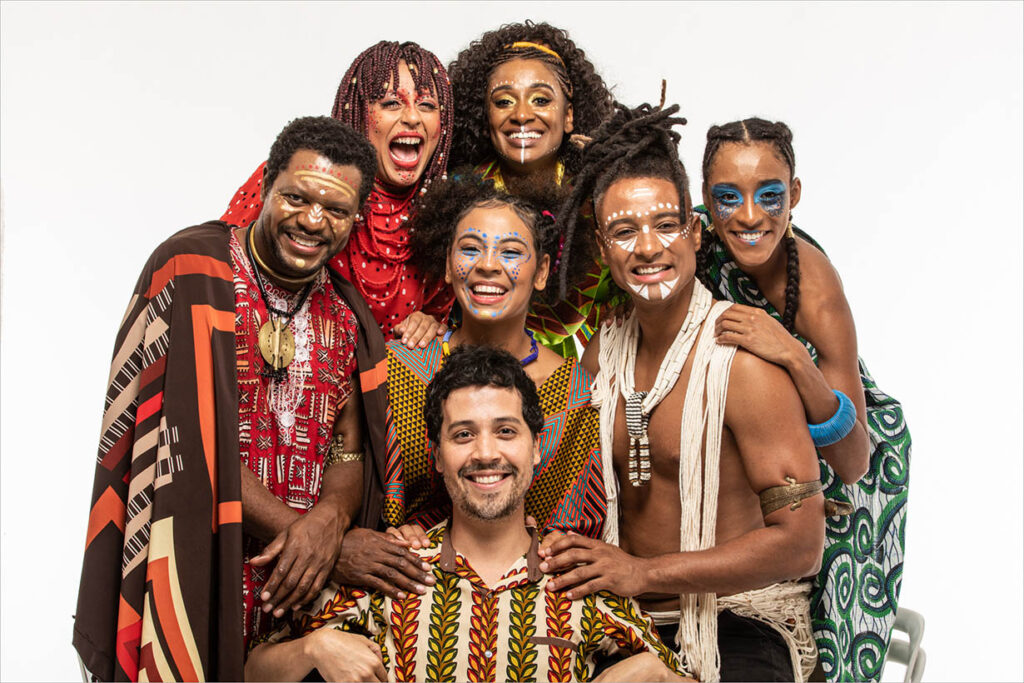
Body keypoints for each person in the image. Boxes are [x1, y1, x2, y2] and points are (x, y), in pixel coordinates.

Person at [73, 116, 394, 680]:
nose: (312, 221)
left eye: (336, 210)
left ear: (355, 218)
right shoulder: (195, 269)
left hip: (298, 591)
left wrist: (329, 520)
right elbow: (184, 440)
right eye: (296, 198)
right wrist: (309, 537)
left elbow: (350, 448)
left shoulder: (347, 314)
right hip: (202, 554)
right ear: (265, 185)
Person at [540, 103, 831, 682]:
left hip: (740, 619)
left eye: (665, 225)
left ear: (695, 232)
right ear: (602, 248)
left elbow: (801, 544)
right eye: (625, 231)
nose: (648, 248)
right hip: (624, 621)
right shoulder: (603, 351)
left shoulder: (745, 362)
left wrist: (643, 574)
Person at [245, 346, 686, 683]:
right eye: (463, 435)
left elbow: (678, 675)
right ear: (437, 456)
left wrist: (656, 672)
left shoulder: (579, 578)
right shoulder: (392, 568)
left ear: (536, 448)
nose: (486, 453)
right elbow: (253, 670)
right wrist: (313, 649)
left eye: (505, 431)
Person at [695, 118, 910, 682]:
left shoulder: (815, 287)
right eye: (727, 197)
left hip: (850, 438)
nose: (748, 216)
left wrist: (791, 355)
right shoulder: (692, 239)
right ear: (703, 200)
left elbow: (854, 460)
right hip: (770, 438)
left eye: (769, 195)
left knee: (828, 636)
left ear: (794, 194)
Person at [381, 177, 604, 554]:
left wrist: (556, 544)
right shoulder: (399, 365)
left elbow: (577, 530)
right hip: (407, 584)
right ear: (449, 266)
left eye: (511, 253)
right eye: (470, 249)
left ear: (543, 271)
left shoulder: (576, 394)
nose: (487, 266)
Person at [221, 41, 455, 343]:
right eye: (391, 103)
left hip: (379, 385)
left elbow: (443, 313)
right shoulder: (297, 179)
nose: (412, 117)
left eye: (427, 105)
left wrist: (428, 323)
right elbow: (224, 267)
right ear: (359, 113)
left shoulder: (449, 212)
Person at [447, 21, 616, 358]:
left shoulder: (601, 199)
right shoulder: (454, 196)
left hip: (561, 376)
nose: (522, 114)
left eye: (540, 99)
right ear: (485, 116)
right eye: (504, 101)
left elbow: (620, 303)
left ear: (569, 116)